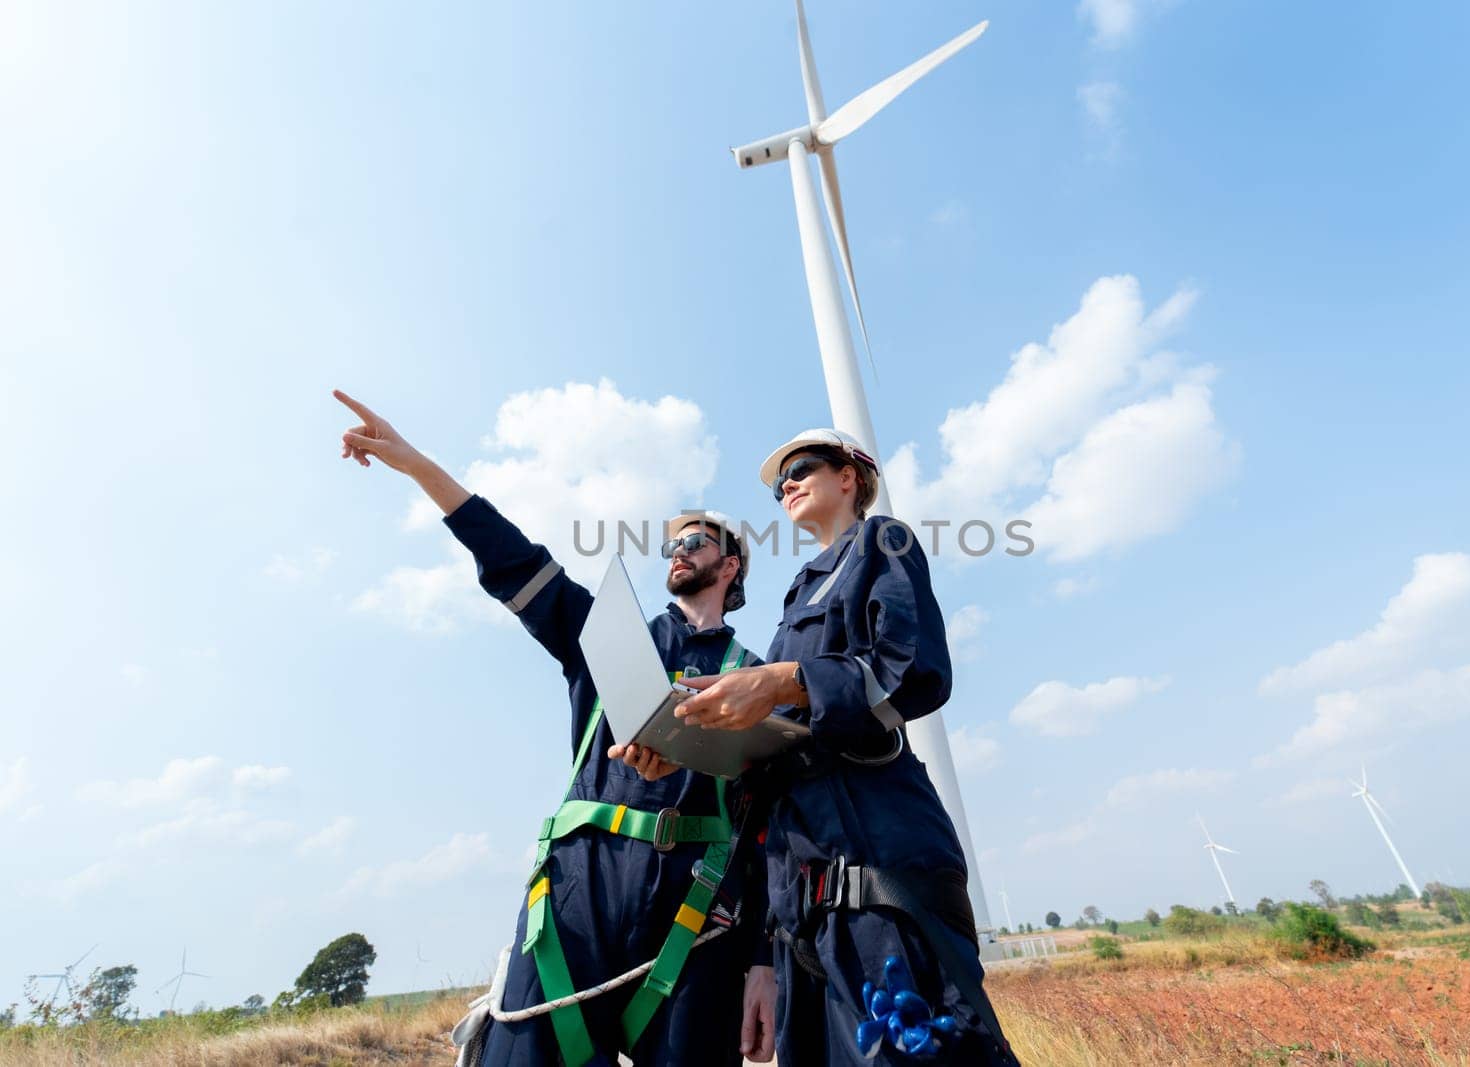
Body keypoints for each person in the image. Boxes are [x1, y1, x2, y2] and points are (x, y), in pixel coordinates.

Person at [332, 390, 776, 1066]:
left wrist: (762, 960)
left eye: (695, 541)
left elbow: (770, 829)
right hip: (575, 899)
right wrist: (417, 464)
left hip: (697, 914)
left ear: (731, 564)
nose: (678, 551)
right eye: (672, 544)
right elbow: (513, 559)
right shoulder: (604, 633)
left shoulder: (759, 677)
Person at [642, 428, 1017, 1065]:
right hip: (801, 911)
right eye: (779, 479)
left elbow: (914, 669)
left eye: (803, 467)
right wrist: (687, 742)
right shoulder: (796, 599)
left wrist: (783, 680)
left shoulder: (883, 542)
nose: (785, 483)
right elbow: (777, 750)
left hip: (878, 871)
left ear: (850, 476)